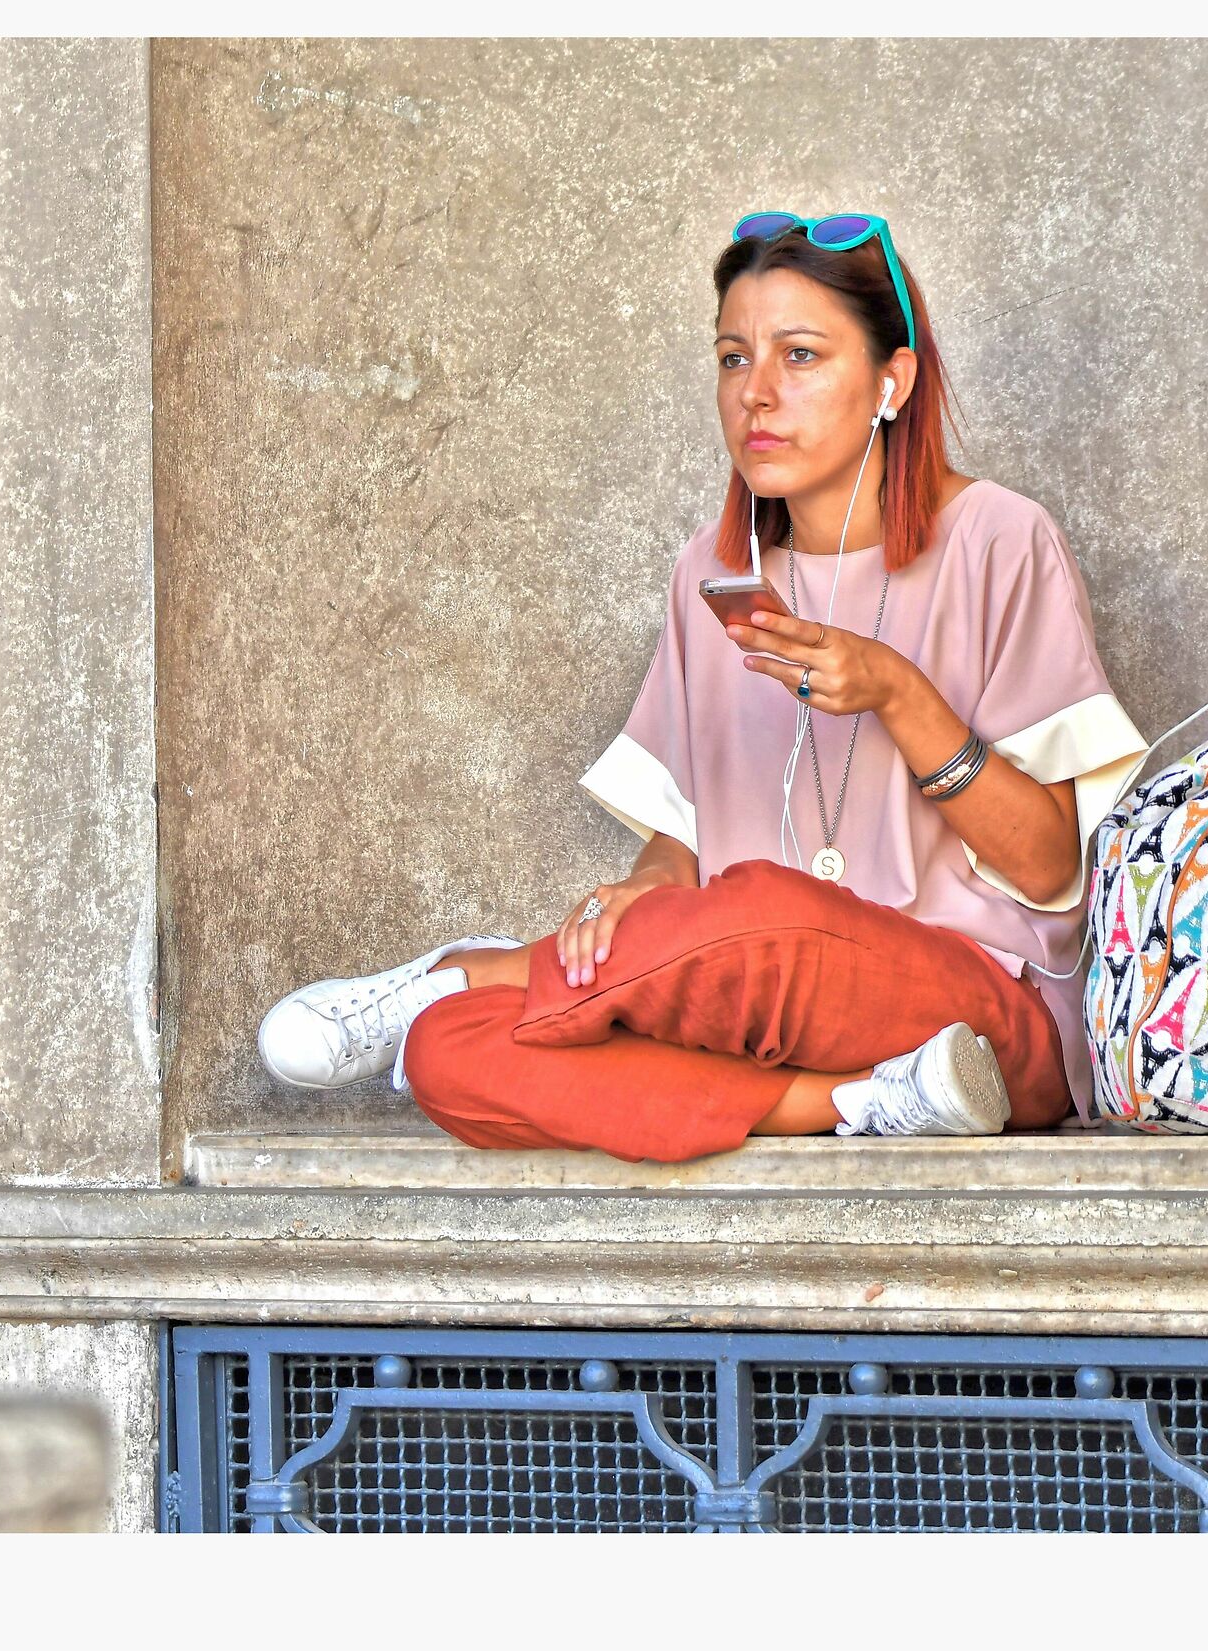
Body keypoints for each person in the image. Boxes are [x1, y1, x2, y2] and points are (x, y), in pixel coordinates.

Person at [258, 212, 1145, 1162]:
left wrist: (899, 693)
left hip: (983, 1014)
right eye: (732, 359)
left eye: (799, 356)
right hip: (768, 1012)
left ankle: (473, 973)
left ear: (894, 380)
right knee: (450, 1058)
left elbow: (1052, 867)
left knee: (769, 914)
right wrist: (638, 893)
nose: (756, 394)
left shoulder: (1000, 543)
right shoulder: (710, 575)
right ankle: (858, 1103)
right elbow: (679, 847)